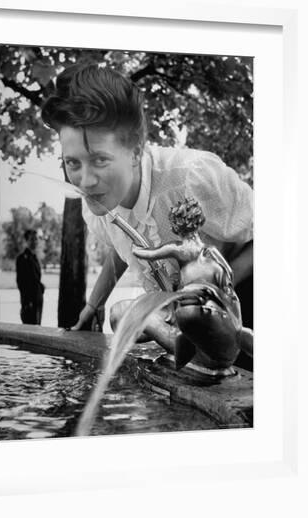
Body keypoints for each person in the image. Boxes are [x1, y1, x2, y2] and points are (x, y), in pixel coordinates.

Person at [41, 62, 253, 349]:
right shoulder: (98, 202)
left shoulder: (192, 177)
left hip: (245, 305)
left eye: (100, 159)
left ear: (135, 150)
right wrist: (94, 304)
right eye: (73, 162)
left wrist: (209, 296)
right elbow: (123, 243)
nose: (85, 180)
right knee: (123, 319)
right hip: (182, 318)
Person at [16, 229, 45, 325]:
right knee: (30, 329)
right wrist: (27, 303)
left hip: (37, 299)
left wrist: (41, 287)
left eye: (36, 239)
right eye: (32, 239)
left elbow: (36, 278)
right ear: (26, 241)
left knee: (38, 327)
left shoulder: (34, 257)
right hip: (29, 302)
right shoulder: (22, 258)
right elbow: (21, 283)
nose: (35, 241)